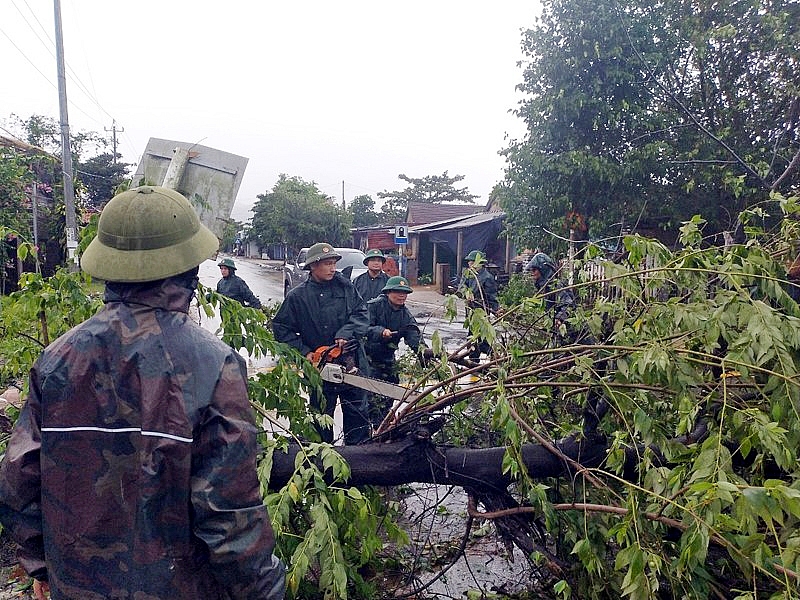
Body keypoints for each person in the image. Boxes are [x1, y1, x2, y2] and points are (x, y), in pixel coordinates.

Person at [0, 186, 286, 599]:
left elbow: (19, 478)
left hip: (77, 585)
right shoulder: (212, 364)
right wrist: (265, 590)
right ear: (188, 267)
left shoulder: (57, 358)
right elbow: (228, 515)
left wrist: (41, 565)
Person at [272, 242, 371, 445]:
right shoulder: (298, 296)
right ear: (313, 266)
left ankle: (359, 460)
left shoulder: (346, 289)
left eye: (334, 263)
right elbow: (281, 328)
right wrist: (305, 352)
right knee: (321, 420)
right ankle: (323, 461)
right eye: (327, 264)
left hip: (350, 361)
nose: (332, 268)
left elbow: (361, 313)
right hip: (319, 368)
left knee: (357, 416)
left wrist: (346, 334)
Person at [365, 276, 424, 426]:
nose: (401, 296)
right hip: (367, 358)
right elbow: (362, 327)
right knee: (371, 393)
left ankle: (382, 424)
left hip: (388, 358)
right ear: (388, 292)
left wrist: (424, 353)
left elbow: (413, 333)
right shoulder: (374, 306)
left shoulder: (405, 314)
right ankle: (370, 426)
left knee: (392, 386)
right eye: (398, 292)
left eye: (404, 293)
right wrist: (380, 332)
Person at [458, 249, 499, 360]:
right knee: (473, 337)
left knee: (479, 337)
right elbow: (461, 287)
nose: (469, 264)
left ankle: (492, 355)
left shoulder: (487, 277)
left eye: (471, 262)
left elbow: (492, 297)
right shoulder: (468, 274)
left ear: (478, 263)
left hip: (481, 313)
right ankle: (474, 361)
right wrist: (466, 292)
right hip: (470, 312)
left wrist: (496, 309)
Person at [524, 252, 574, 329]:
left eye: (534, 270)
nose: (532, 273)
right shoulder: (544, 288)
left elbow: (568, 305)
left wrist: (559, 318)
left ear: (543, 270)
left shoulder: (556, 286)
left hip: (571, 331)